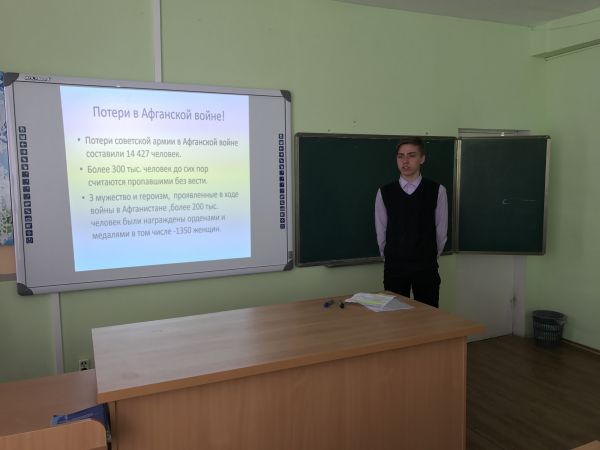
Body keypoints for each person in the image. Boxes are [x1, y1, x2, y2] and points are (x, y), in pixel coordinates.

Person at [374, 137, 448, 308]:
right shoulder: (384, 192)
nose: (405, 161)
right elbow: (381, 231)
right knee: (395, 317)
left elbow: (441, 232)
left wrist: (428, 256)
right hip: (395, 266)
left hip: (426, 266)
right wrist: (390, 257)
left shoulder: (437, 190)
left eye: (411, 155)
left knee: (428, 315)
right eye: (400, 156)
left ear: (422, 158)